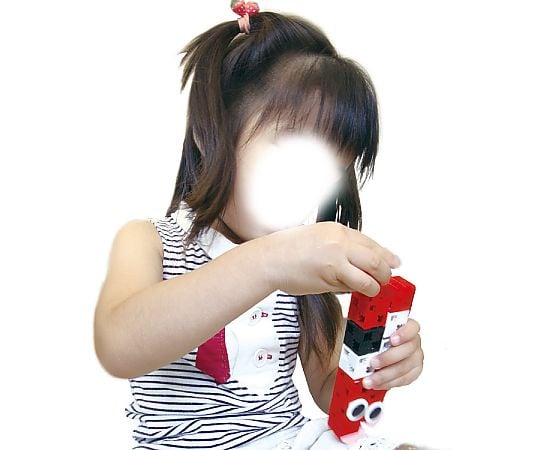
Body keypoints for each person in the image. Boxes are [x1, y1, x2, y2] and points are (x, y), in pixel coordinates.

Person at [93, 8, 424, 450]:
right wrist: (269, 263)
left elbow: (329, 391)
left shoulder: (302, 271)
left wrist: (376, 363)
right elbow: (118, 347)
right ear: (213, 132)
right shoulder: (150, 241)